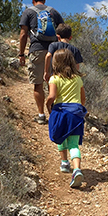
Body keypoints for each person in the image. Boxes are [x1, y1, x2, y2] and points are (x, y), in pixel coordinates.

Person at [19, 0, 63, 124]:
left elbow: (23, 35)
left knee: (38, 84)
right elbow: (63, 31)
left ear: (32, 0)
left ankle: (41, 115)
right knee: (52, 83)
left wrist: (21, 54)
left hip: (37, 50)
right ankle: (54, 114)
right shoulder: (54, 12)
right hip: (54, 51)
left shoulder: (28, 12)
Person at [46, 49, 87, 189]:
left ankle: (64, 162)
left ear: (55, 63)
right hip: (75, 113)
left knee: (60, 135)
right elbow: (83, 99)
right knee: (74, 145)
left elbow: (51, 97)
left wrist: (47, 105)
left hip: (60, 111)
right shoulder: (78, 79)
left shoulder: (54, 79)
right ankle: (77, 170)